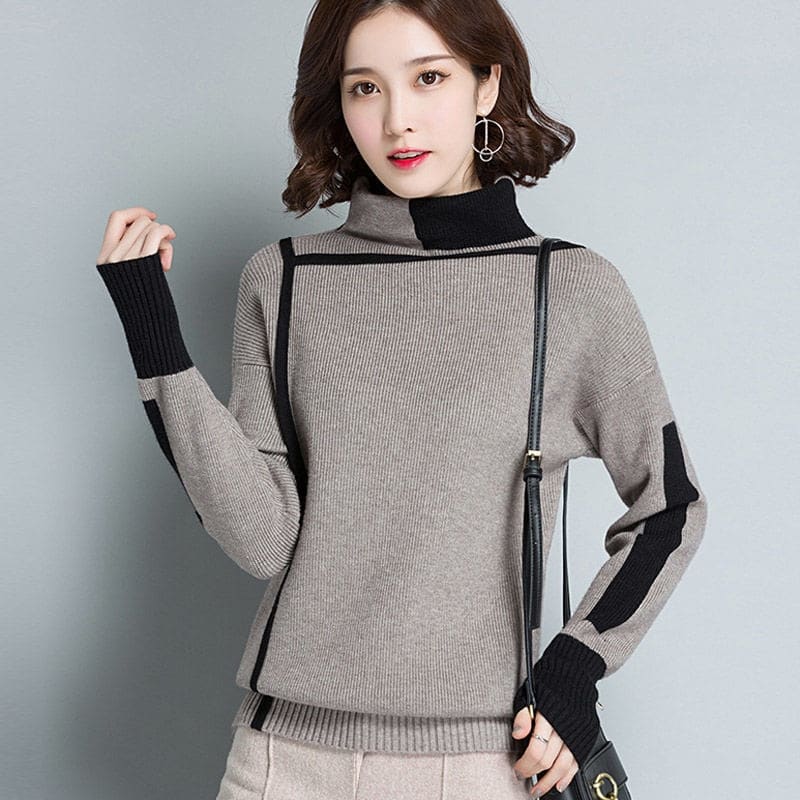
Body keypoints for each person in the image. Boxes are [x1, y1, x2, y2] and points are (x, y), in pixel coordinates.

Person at [94, 1, 708, 798]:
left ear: (486, 85)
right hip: (282, 761)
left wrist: (575, 666)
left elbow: (670, 506)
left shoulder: (569, 289)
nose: (396, 120)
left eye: (428, 78)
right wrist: (153, 334)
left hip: (479, 765)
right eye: (365, 88)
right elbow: (263, 539)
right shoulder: (284, 280)